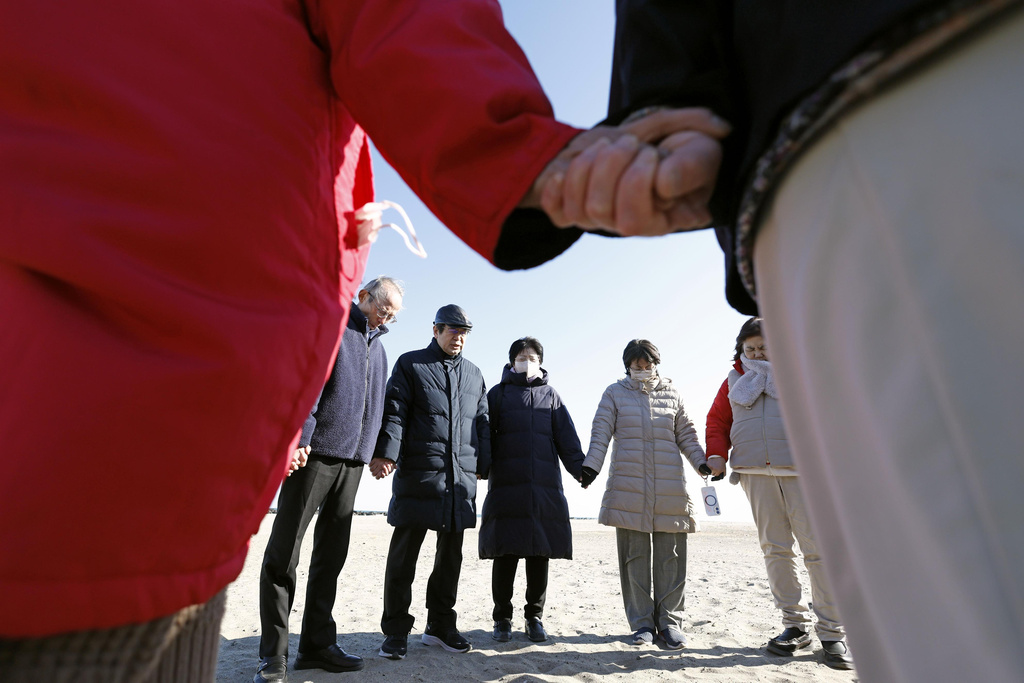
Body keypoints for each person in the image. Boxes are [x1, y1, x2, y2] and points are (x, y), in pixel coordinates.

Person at [1, 1, 731, 679]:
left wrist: (520, 155)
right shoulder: (389, 351)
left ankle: (328, 639)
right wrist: (521, 156)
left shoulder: (427, 360)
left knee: (337, 554)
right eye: (417, 316)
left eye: (442, 323)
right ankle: (294, 646)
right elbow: (381, 400)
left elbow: (512, 424)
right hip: (222, 436)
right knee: (291, 552)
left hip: (182, 450)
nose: (431, 328)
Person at [539, 3, 1024, 682]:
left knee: (949, 585)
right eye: (639, 359)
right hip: (853, 90)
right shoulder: (643, 389)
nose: (646, 366)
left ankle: (799, 627)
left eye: (650, 358)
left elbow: (689, 421)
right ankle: (765, 623)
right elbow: (689, 419)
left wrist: (661, 101)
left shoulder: (680, 387)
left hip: (854, 88)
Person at [253, 277, 402, 683]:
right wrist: (301, 436)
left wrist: (378, 451)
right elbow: (308, 385)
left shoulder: (383, 350)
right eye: (384, 307)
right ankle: (274, 656)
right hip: (315, 455)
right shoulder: (332, 328)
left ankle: (317, 646)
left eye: (393, 314)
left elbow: (384, 405)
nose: (387, 317)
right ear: (364, 296)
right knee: (284, 555)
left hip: (352, 463)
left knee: (330, 558)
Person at [705, 318, 852, 670]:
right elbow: (717, 422)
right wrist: (715, 454)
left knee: (818, 552)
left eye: (764, 346)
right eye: (750, 348)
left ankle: (832, 633)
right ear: (740, 351)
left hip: (804, 473)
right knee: (776, 551)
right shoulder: (733, 382)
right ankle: (794, 627)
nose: (757, 352)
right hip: (755, 473)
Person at [373, 305, 490, 660]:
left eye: (464, 331)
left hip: (459, 482)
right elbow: (395, 411)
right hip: (419, 477)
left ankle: (440, 626)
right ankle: (395, 631)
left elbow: (481, 422)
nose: (459, 337)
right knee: (403, 559)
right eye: (453, 330)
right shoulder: (411, 364)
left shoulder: (474, 374)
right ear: (436, 329)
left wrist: (484, 463)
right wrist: (387, 454)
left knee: (450, 559)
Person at [581, 339, 710, 650]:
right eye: (636, 365)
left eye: (647, 363)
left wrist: (702, 464)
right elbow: (601, 431)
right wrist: (590, 467)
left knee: (672, 558)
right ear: (627, 365)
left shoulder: (673, 394)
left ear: (656, 363)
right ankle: (641, 625)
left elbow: (687, 434)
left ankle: (670, 623)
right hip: (629, 488)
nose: (642, 369)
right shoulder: (614, 393)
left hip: (670, 489)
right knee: (634, 558)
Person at [479, 336, 587, 644]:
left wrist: (581, 470)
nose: (528, 362)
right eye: (522, 357)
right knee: (505, 553)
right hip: (506, 485)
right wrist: (481, 468)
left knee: (540, 552)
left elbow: (567, 438)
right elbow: (484, 435)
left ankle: (534, 617)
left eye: (534, 357)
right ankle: (502, 618)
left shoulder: (551, 396)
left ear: (541, 362)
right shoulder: (497, 395)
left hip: (543, 486)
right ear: (512, 361)